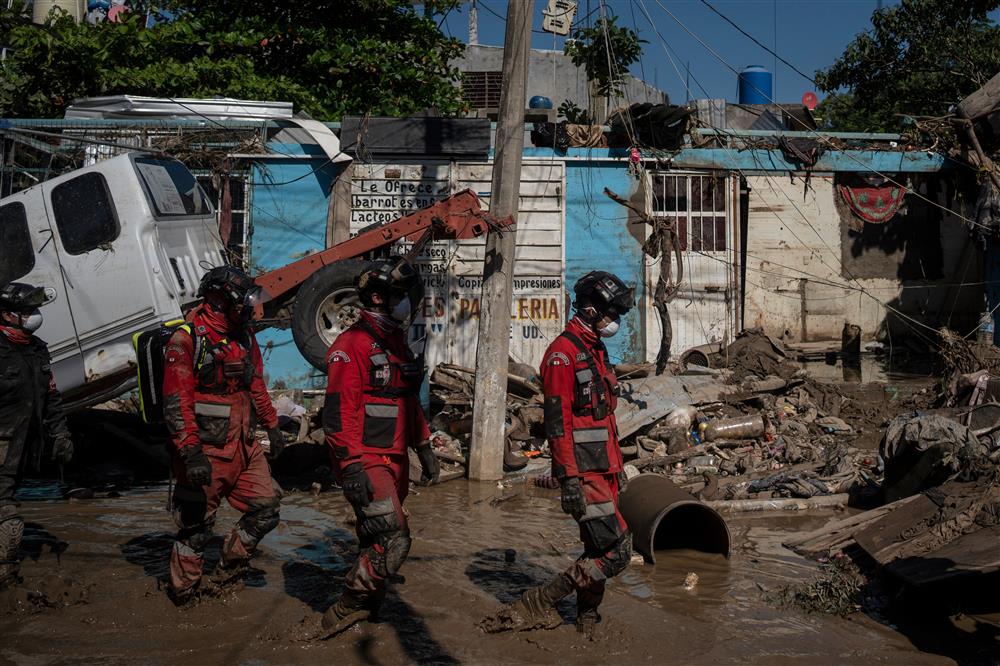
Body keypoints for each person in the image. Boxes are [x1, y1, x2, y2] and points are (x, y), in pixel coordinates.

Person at [481, 271, 634, 638]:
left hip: (604, 467)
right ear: (592, 309)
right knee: (617, 550)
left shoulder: (595, 348)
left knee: (597, 548)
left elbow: (604, 419)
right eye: (611, 312)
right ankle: (540, 601)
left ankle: (586, 618)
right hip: (584, 473)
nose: (615, 321)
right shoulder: (563, 355)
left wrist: (620, 467)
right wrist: (568, 478)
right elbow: (557, 424)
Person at [321, 257, 439, 637]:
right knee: (394, 538)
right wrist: (351, 465)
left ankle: (369, 607)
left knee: (374, 535)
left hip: (395, 457)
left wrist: (423, 445)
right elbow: (338, 414)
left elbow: (407, 400)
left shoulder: (396, 342)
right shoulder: (350, 345)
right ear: (376, 297)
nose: (407, 303)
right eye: (400, 296)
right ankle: (344, 608)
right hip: (367, 459)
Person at [162, 266, 285, 605]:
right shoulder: (187, 339)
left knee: (266, 510)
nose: (249, 307)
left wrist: (272, 426)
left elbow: (255, 381)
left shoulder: (243, 335)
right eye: (243, 299)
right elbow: (176, 403)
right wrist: (190, 452)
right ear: (219, 300)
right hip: (206, 452)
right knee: (196, 530)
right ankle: (183, 597)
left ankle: (227, 573)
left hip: (244, 447)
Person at [0, 282, 74, 589]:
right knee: (9, 522)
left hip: (23, 449)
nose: (35, 315)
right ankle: (5, 579)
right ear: (7, 315)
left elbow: (51, 398)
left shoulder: (37, 348)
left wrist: (60, 435)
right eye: (28, 311)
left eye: (35, 310)